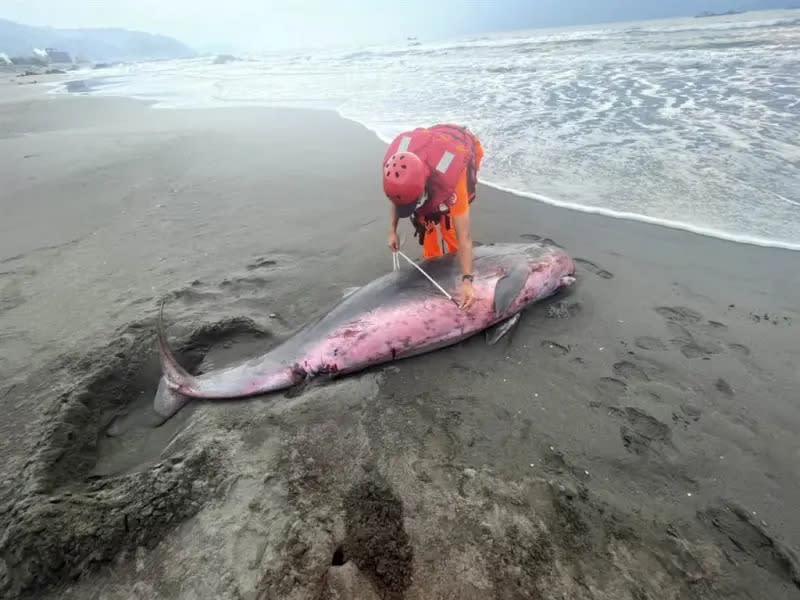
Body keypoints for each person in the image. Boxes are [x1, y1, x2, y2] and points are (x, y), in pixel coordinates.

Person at [382, 123, 484, 310]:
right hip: (430, 145)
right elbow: (397, 197)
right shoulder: (396, 167)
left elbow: (465, 238)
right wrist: (392, 231)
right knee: (426, 223)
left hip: (460, 149)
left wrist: (468, 280)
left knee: (449, 227)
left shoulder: (452, 182)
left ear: (423, 187)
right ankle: (434, 268)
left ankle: (455, 270)